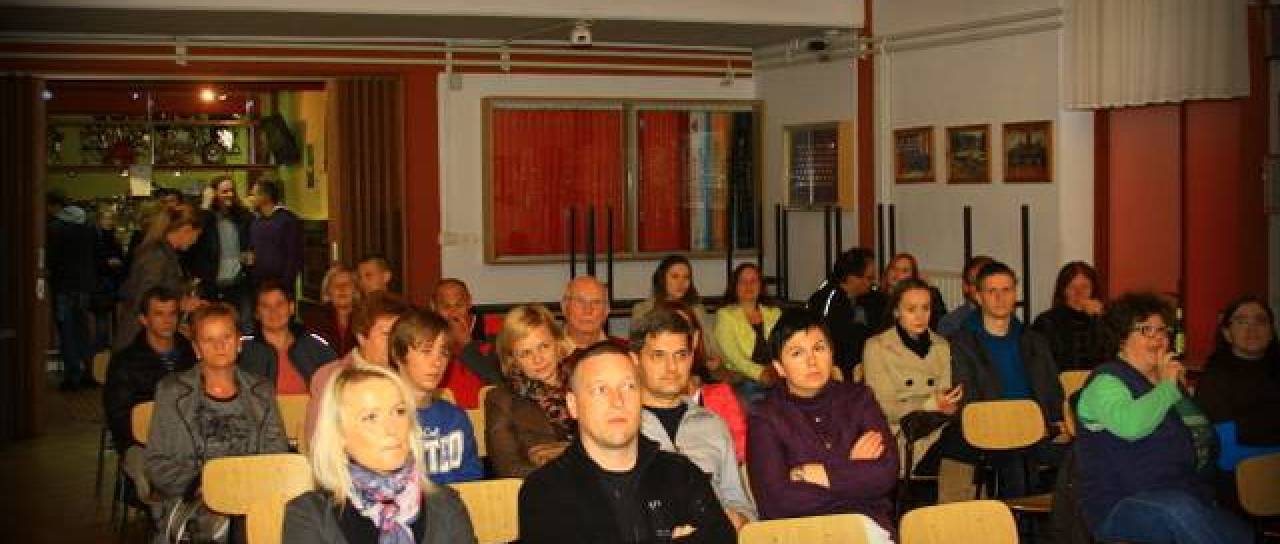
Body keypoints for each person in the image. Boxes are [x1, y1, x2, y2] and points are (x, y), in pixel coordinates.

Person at [1073, 292, 1252, 544]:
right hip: (1120, 504)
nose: (1158, 338)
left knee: (1239, 531)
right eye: (1146, 330)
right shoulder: (1106, 381)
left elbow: (1204, 436)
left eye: (1163, 331)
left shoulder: (1166, 384)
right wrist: (1167, 387)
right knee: (1178, 510)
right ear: (1121, 337)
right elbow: (1131, 425)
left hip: (1185, 495)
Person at [519, 341, 736, 543]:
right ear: (573, 405)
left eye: (628, 386)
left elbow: (724, 537)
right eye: (600, 390)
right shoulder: (545, 491)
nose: (617, 401)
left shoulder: (681, 473)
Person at [746, 310, 897, 542]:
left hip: (866, 527)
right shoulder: (765, 416)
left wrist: (816, 474)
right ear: (779, 367)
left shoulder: (859, 399)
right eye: (797, 353)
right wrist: (850, 471)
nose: (812, 361)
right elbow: (776, 502)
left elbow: (885, 474)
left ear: (831, 354)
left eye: (819, 348)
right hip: (801, 534)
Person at [283, 364, 477, 544]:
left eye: (399, 411)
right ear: (339, 435)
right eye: (371, 417)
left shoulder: (446, 506)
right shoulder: (309, 516)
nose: (392, 429)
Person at [145, 303, 289, 542]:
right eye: (208, 340)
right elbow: (157, 462)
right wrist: (204, 485)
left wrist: (246, 490)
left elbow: (277, 453)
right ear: (196, 348)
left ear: (239, 342)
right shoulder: (172, 392)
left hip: (252, 498)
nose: (219, 346)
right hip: (193, 501)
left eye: (226, 337)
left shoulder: (261, 390)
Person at [946, 260, 1063, 497]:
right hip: (990, 432)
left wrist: (1055, 423)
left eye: (1006, 290)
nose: (1000, 298)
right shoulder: (962, 343)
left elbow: (1051, 389)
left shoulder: (1034, 340)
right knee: (1016, 463)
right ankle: (1017, 520)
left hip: (1037, 431)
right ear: (978, 297)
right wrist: (1011, 424)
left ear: (1015, 294)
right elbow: (968, 399)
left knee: (1084, 455)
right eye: (992, 291)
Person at [632, 308, 757, 529]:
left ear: (691, 358)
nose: (672, 367)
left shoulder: (713, 424)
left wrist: (738, 519)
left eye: (681, 355)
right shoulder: (620, 426)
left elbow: (742, 505)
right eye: (659, 355)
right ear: (635, 360)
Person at [103, 287, 197, 501]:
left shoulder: (189, 353)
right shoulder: (125, 361)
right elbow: (118, 416)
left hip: (187, 439)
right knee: (151, 472)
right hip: (140, 442)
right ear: (144, 320)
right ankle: (161, 507)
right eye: (159, 314)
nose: (167, 321)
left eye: (172, 314)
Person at [863, 278, 961, 476]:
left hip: (938, 428)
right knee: (963, 443)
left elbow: (945, 396)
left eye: (925, 308)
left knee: (974, 436)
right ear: (896, 312)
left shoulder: (941, 346)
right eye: (911, 309)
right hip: (902, 436)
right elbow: (884, 407)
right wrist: (929, 404)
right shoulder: (877, 347)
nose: (920, 316)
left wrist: (951, 403)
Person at [388, 307, 484, 484]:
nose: (437, 362)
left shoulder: (455, 418)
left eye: (444, 353)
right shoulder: (383, 419)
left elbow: (473, 480)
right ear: (398, 355)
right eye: (426, 351)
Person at [305, 292, 411, 440]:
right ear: (362, 337)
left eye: (399, 335)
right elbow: (319, 440)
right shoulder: (330, 377)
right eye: (387, 334)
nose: (395, 342)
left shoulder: (410, 374)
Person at [485, 304, 574, 478]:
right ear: (513, 360)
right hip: (540, 488)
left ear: (558, 343)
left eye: (544, 346)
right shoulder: (501, 400)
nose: (538, 359)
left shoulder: (585, 383)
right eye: (526, 353)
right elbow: (508, 469)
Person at [1193, 296, 1280, 474]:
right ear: (1227, 333)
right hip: (1244, 476)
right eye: (1241, 321)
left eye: (1261, 320)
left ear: (1271, 332)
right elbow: (1227, 456)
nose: (1252, 328)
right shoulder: (1214, 379)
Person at [114, 205, 206, 351]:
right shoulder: (156, 257)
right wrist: (180, 304)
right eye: (196, 236)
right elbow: (145, 299)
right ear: (186, 230)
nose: (195, 241)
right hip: (139, 338)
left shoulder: (162, 253)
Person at [669, 301, 749, 463]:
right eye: (668, 328)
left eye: (683, 329)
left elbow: (742, 450)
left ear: (695, 338)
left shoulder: (721, 394)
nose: (676, 337)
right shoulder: (641, 402)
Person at [239, 279, 338, 395]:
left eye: (279, 304)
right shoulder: (243, 349)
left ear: (291, 308)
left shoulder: (314, 345)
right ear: (257, 313)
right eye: (265, 306)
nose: (273, 311)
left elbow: (338, 379)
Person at [807, 247, 888, 377]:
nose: (873, 283)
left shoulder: (874, 298)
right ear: (852, 278)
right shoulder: (825, 299)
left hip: (868, 366)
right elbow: (820, 337)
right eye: (869, 278)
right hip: (834, 370)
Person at [187, 176, 255, 332]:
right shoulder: (206, 218)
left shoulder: (241, 217)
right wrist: (205, 205)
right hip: (212, 284)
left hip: (238, 283)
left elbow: (251, 238)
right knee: (211, 327)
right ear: (214, 193)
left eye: (231, 191)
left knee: (244, 327)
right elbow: (194, 238)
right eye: (224, 191)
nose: (229, 195)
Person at [47, 192, 99, 390]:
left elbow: (51, 259)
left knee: (67, 332)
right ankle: (88, 372)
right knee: (83, 331)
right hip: (84, 286)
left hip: (63, 286)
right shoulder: (88, 228)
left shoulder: (55, 229)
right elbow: (96, 257)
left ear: (56, 206)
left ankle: (72, 374)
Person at [429, 278, 500, 409]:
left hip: (487, 411)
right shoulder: (426, 335)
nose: (453, 314)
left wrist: (467, 345)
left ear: (469, 302)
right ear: (433, 307)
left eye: (459, 305)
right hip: (444, 411)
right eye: (446, 307)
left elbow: (497, 379)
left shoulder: (495, 328)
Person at [714, 263, 781, 398]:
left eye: (753, 281)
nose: (748, 286)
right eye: (743, 281)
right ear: (735, 286)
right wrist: (760, 373)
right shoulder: (725, 315)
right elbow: (734, 356)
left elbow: (785, 346)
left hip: (777, 375)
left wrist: (777, 371)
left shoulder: (775, 313)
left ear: (761, 286)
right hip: (743, 378)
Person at [631, 255, 718, 359]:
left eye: (686, 277)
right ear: (662, 279)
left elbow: (712, 345)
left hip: (696, 364)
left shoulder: (697, 308)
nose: (681, 283)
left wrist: (713, 359)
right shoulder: (643, 310)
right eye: (675, 277)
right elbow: (637, 348)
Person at [1031, 261, 1107, 371]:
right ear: (1063, 291)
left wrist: (1100, 319)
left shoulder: (1105, 320)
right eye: (1072, 287)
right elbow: (1042, 364)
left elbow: (1109, 356)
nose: (1079, 293)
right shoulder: (1046, 322)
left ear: (1093, 290)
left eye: (1085, 287)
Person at [247, 179, 302, 291]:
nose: (250, 198)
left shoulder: (287, 220)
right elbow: (252, 250)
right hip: (259, 285)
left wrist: (286, 283)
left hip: (281, 285)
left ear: (265, 196)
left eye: (253, 194)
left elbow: (293, 255)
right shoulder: (256, 222)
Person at [301, 266, 360, 357]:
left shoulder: (365, 317)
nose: (342, 288)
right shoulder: (315, 319)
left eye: (347, 284)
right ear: (328, 291)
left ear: (355, 289)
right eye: (336, 285)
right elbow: (312, 353)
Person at [91, 207, 127, 353]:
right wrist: (108, 263)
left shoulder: (113, 238)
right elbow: (94, 261)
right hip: (102, 281)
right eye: (106, 218)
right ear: (99, 220)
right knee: (103, 316)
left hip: (112, 280)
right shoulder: (96, 238)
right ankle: (102, 347)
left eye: (111, 218)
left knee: (111, 316)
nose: (109, 221)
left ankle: (111, 346)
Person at [882, 252, 948, 330]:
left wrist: (929, 290)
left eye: (904, 270)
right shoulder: (877, 297)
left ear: (913, 276)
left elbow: (942, 323)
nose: (897, 273)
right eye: (894, 268)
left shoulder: (928, 294)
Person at [937, 255, 994, 339]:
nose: (983, 287)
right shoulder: (951, 324)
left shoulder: (1009, 319)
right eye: (976, 282)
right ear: (965, 286)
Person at [561, 275, 616, 352]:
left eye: (596, 302)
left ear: (607, 310)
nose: (588, 310)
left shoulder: (623, 353)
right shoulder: (548, 352)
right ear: (564, 307)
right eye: (580, 301)